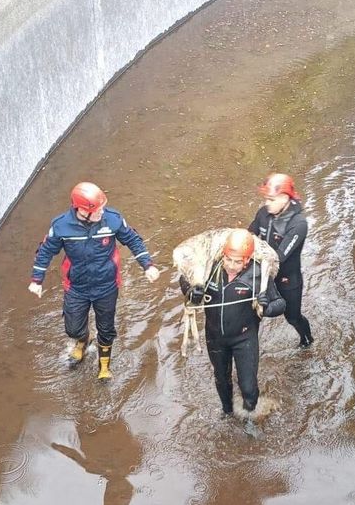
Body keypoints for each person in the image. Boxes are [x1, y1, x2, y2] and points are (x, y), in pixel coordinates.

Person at [28, 181, 160, 380]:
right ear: (82, 210)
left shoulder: (112, 220)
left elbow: (133, 240)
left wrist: (147, 265)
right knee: (72, 328)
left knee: (106, 328)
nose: (101, 212)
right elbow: (46, 251)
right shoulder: (61, 226)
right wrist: (37, 280)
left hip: (106, 285)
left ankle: (104, 366)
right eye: (97, 209)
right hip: (76, 287)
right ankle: (83, 340)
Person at [179, 229, 285, 419]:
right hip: (215, 337)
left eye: (238, 262)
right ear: (223, 255)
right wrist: (191, 292)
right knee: (221, 379)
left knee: (248, 387)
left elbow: (280, 303)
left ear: (247, 260)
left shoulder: (258, 274)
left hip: (244, 338)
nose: (231, 266)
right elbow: (184, 278)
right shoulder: (209, 268)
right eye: (228, 260)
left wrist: (267, 307)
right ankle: (227, 412)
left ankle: (249, 417)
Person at [248, 173, 313, 348]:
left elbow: (279, 257)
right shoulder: (263, 213)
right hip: (263, 274)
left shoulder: (298, 224)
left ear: (284, 198)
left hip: (287, 280)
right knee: (252, 314)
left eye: (271, 199)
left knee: (293, 317)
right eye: (266, 199)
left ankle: (307, 341)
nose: (267, 203)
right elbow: (249, 236)